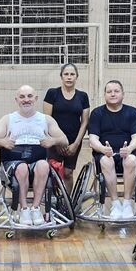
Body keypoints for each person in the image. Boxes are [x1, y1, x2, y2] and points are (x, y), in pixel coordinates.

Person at [0, 85, 68, 226]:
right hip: (13, 164)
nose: (26, 100)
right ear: (16, 99)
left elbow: (65, 140)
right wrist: (2, 142)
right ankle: (24, 209)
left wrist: (53, 140)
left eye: (30, 96)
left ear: (35, 98)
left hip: (36, 163)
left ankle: (35, 208)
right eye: (22, 97)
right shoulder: (8, 119)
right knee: (22, 167)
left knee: (44, 165)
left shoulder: (45, 119)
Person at [87, 80, 136, 219]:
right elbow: (93, 140)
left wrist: (129, 149)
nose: (113, 94)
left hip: (126, 153)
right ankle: (115, 203)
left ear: (123, 94)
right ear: (104, 95)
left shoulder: (132, 112)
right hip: (105, 154)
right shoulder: (97, 113)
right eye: (109, 91)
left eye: (116, 91)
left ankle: (127, 203)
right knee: (106, 161)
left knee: (130, 160)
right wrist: (102, 149)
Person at [43, 63, 90, 192]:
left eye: (72, 74)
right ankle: (53, 202)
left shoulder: (83, 96)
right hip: (54, 141)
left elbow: (85, 122)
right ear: (61, 77)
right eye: (66, 74)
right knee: (54, 173)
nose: (69, 77)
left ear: (76, 77)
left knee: (68, 173)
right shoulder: (52, 93)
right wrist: (57, 141)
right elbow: (47, 120)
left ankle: (67, 204)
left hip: (73, 141)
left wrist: (76, 143)